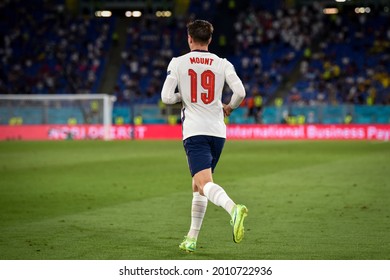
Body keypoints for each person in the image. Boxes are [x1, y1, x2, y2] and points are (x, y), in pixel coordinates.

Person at [161, 19, 248, 253]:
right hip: (218, 132)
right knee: (198, 185)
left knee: (204, 183)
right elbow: (240, 92)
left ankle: (233, 209)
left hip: (195, 131)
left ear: (189, 39)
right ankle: (191, 238)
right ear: (209, 39)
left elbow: (167, 97)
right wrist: (229, 107)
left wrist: (186, 96)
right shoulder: (222, 63)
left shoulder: (178, 63)